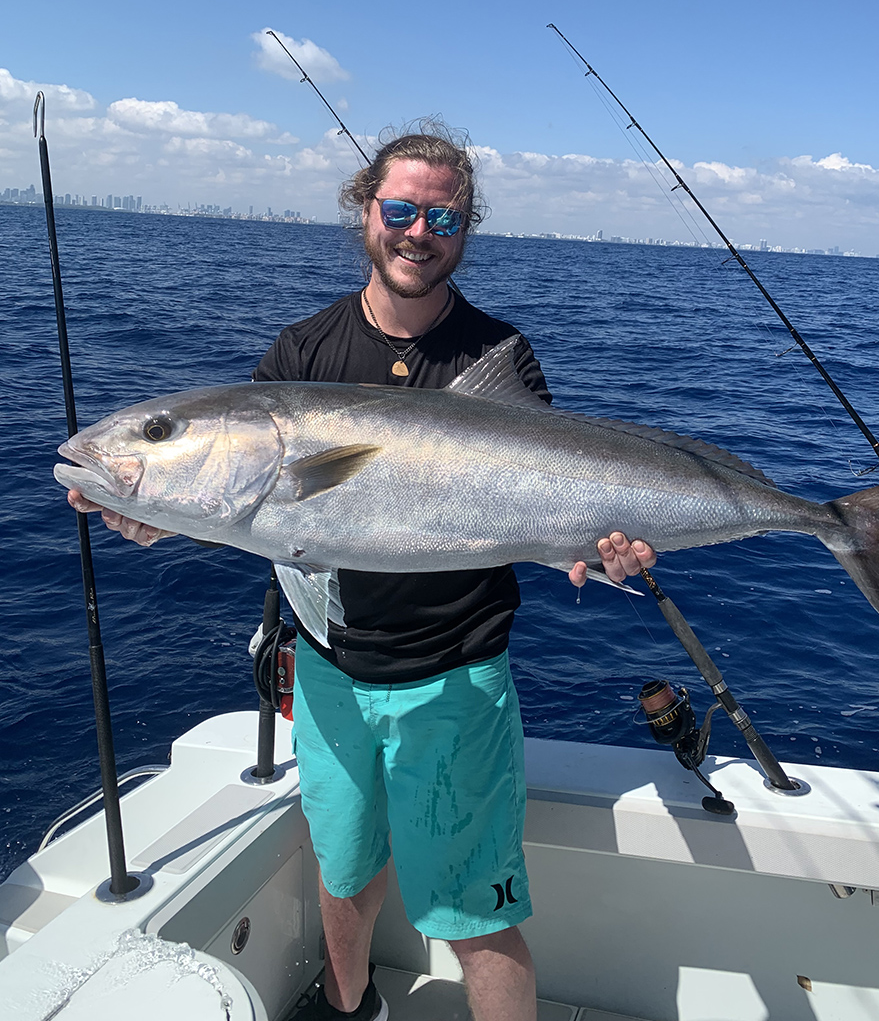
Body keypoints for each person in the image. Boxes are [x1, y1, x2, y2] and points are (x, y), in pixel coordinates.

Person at [68, 122, 655, 1021]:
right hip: (331, 682)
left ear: (465, 229)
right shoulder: (303, 353)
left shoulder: (500, 353)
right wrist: (148, 516)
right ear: (366, 213)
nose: (420, 231)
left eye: (443, 216)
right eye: (401, 209)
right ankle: (352, 1012)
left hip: (456, 682)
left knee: (473, 917)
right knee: (343, 880)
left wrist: (604, 546)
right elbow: (242, 506)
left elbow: (553, 503)